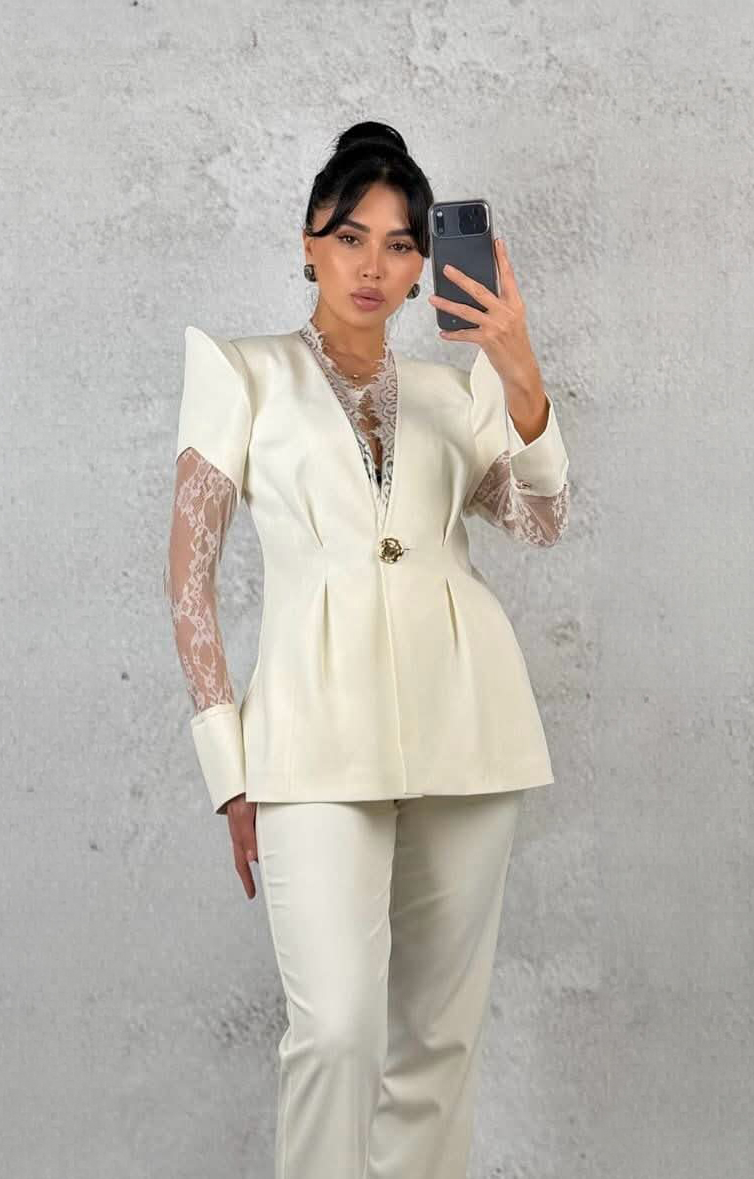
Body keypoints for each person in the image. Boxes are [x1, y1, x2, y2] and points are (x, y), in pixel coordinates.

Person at [164, 120, 570, 1179]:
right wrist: (229, 769)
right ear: (310, 240)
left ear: (423, 264)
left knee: (437, 1046)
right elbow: (188, 582)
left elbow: (539, 523)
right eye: (351, 237)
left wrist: (519, 372)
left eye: (398, 245)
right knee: (336, 1031)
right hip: (308, 739)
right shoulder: (244, 373)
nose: (372, 266)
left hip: (469, 728)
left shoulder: (452, 392)